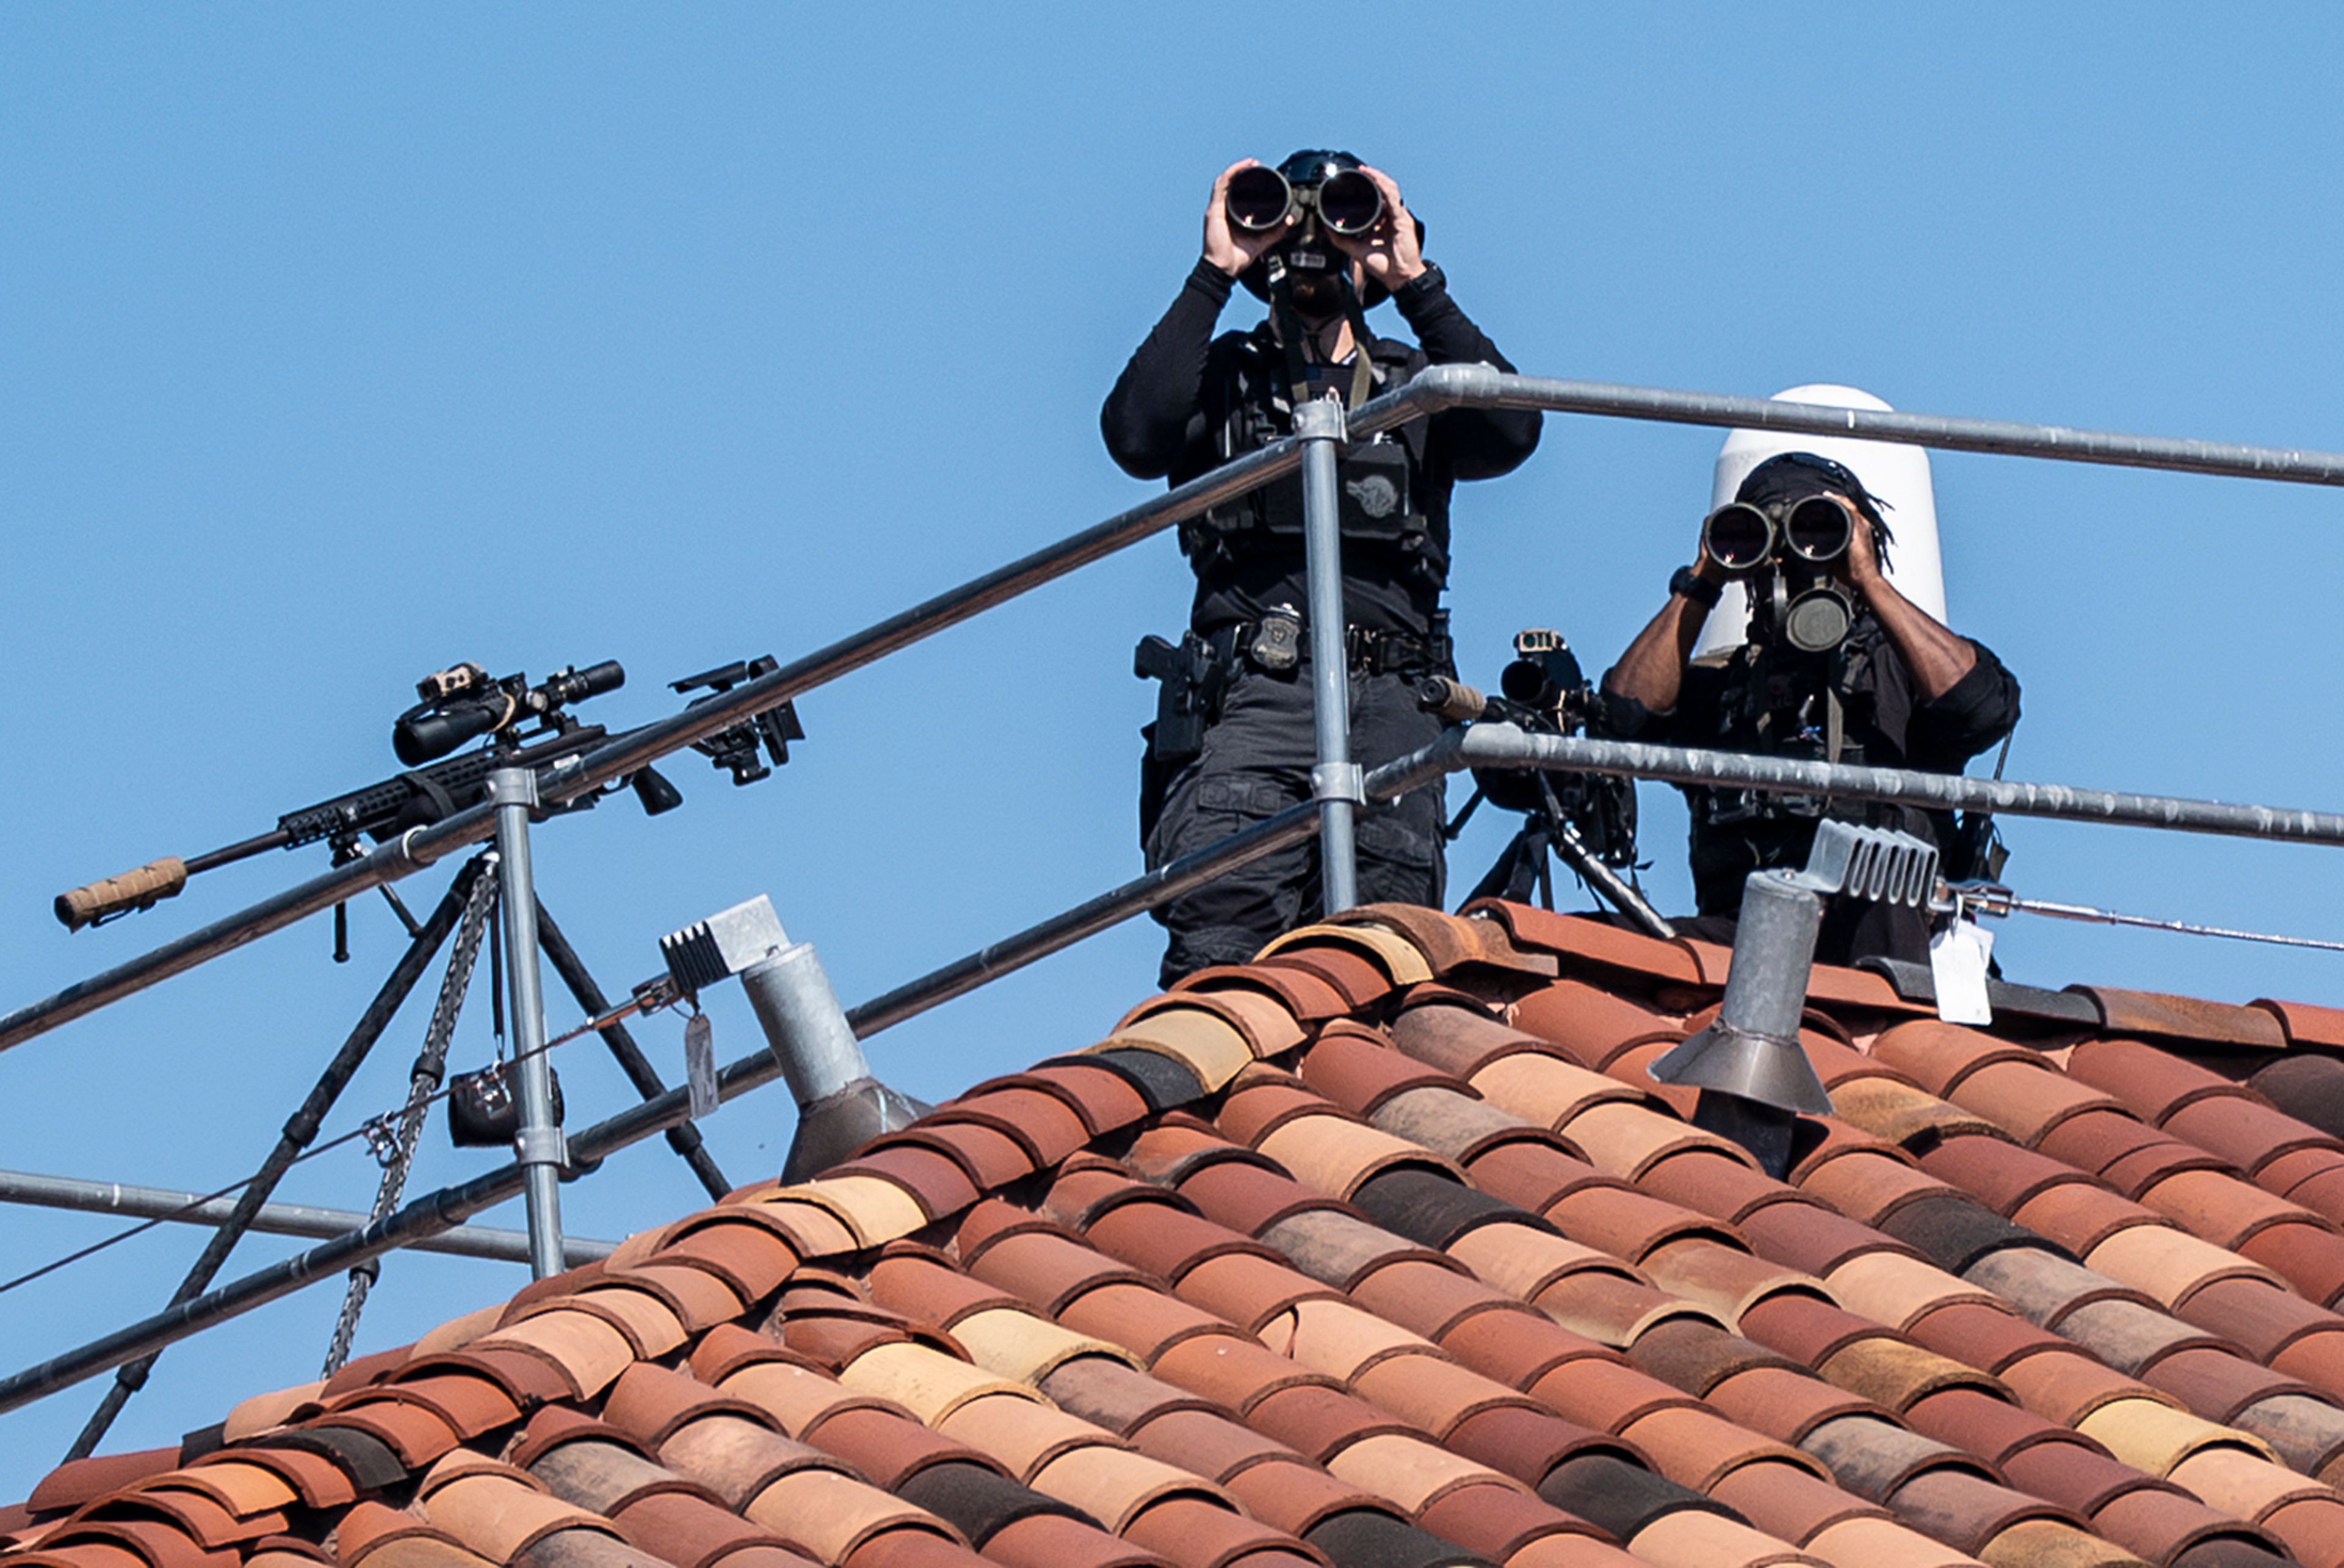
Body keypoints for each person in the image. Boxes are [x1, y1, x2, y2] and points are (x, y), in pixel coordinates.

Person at [1102, 150, 1541, 985]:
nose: (1316, 241)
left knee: (1388, 951)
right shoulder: (1225, 379)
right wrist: (1216, 272)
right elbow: (1134, 435)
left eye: (1343, 217)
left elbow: (1514, 432)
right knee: (1221, 951)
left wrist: (1414, 280)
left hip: (1390, 699)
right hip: (1253, 699)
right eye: (1292, 219)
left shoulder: (1419, 387)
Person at [1599, 451, 2020, 963]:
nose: (1791, 561)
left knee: (1883, 887)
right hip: (1744, 934)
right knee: (1593, 944)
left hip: (1877, 932)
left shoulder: (1898, 672)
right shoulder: (1723, 687)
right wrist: (1706, 573)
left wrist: (1869, 579)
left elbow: (1982, 707)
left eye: (1819, 530)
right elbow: (1626, 716)